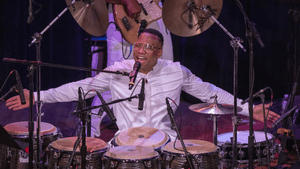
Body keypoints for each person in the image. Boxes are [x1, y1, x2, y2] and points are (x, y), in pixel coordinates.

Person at [6, 29, 280, 141]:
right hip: (124, 141)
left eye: (148, 47)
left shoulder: (175, 71)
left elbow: (211, 92)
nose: (140, 50)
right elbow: (80, 88)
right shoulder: (117, 71)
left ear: (159, 52)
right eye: (138, 45)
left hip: (165, 140)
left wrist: (248, 109)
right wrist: (37, 96)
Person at [90, 0, 174, 137]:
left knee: (164, 73)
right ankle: (89, 126)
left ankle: (154, 129)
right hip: (126, 18)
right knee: (117, 78)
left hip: (157, 14)